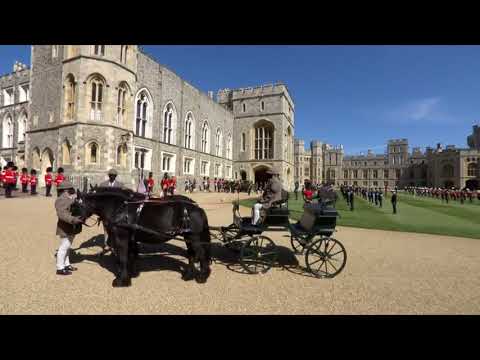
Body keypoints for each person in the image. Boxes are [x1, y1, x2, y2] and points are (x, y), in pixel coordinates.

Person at [55, 181, 83, 275]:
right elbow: (62, 214)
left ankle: (66, 264)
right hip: (65, 226)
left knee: (68, 247)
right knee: (64, 247)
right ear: (66, 190)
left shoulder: (69, 198)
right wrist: (73, 219)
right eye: (71, 188)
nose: (73, 190)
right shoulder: (61, 199)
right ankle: (60, 267)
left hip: (71, 226)